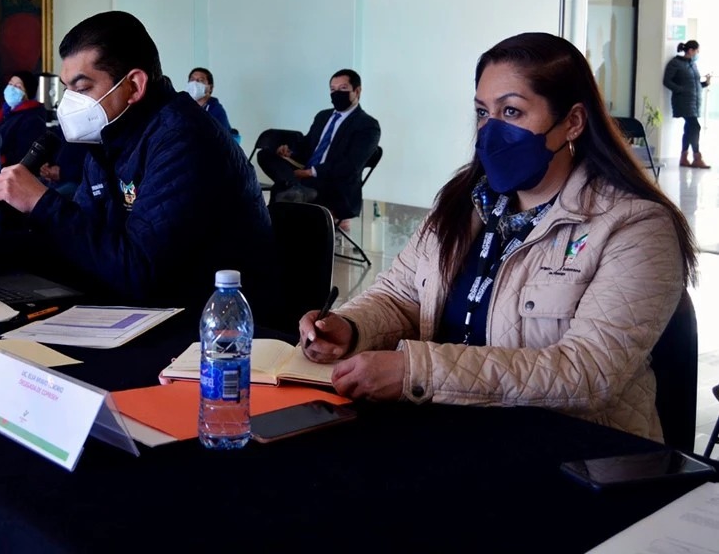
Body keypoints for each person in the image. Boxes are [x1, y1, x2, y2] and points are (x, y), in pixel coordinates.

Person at [298, 32, 697, 442]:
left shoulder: (635, 226)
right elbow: (400, 296)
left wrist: (417, 371)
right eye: (483, 112)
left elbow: (588, 372)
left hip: (573, 452)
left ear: (573, 122)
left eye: (512, 111)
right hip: (448, 432)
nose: (490, 130)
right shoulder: (463, 202)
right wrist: (350, 326)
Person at [0, 10, 276, 313]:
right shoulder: (111, 136)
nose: (70, 103)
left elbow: (138, 272)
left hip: (206, 324)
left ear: (134, 85)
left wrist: (41, 201)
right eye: (67, 90)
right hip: (136, 307)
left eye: (83, 88)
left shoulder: (184, 139)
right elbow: (80, 243)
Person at [257, 69, 381, 226]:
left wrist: (311, 172)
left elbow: (350, 166)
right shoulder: (323, 116)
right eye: (333, 89)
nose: (336, 93)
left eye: (343, 88)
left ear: (357, 91)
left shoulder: (368, 125)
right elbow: (308, 147)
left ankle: (289, 197)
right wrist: (290, 151)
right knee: (265, 155)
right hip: (306, 177)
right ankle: (294, 187)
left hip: (334, 183)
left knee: (282, 191)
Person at [663, 39, 710, 169]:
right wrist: (681, 90)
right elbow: (667, 81)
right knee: (695, 127)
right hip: (683, 102)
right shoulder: (675, 63)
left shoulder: (693, 65)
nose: (698, 54)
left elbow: (694, 85)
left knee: (689, 128)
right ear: (690, 51)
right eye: (697, 51)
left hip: (693, 102)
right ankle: (697, 157)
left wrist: (705, 83)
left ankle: (684, 158)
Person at [0, 71, 47, 165]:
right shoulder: (3, 113)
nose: (11, 89)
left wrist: (0, 159)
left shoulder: (32, 120)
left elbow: (24, 154)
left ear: (27, 93)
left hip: (9, 169)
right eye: (10, 84)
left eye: (18, 87)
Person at [187, 67, 232, 132]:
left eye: (200, 80)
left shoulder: (216, 110)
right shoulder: (184, 106)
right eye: (192, 79)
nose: (194, 83)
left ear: (210, 87)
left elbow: (222, 136)